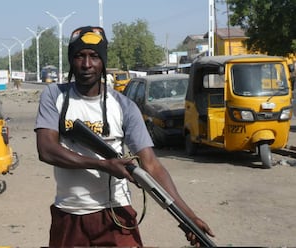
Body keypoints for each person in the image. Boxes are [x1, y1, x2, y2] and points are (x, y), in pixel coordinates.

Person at [35, 26, 214, 247]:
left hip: (116, 214)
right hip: (70, 214)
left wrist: (189, 218)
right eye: (80, 56)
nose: (87, 64)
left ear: (103, 61)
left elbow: (152, 166)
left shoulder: (123, 106)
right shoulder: (55, 96)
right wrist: (105, 165)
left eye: (94, 56)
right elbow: (46, 149)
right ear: (71, 60)